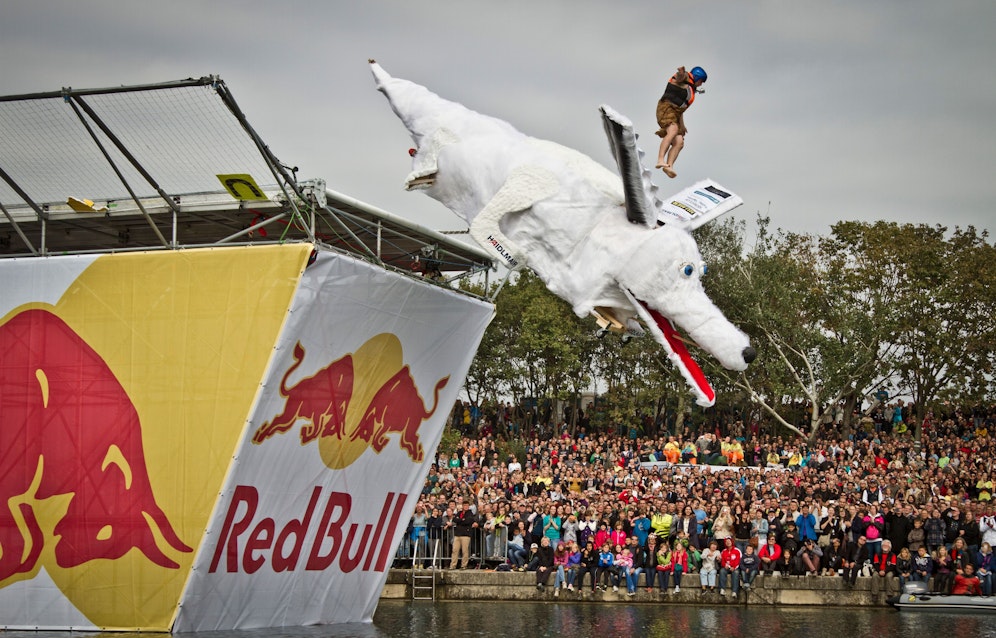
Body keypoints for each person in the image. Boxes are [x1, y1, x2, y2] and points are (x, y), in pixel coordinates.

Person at [654, 65, 707, 178]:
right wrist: (681, 72)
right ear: (697, 78)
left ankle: (668, 166)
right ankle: (660, 159)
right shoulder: (686, 77)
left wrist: (682, 126)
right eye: (701, 81)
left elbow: (680, 111)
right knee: (672, 130)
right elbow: (680, 78)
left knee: (679, 142)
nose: (701, 84)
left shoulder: (690, 88)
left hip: (675, 114)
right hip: (665, 108)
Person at [450, 500, 479, 570]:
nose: (465, 507)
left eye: (467, 505)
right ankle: (453, 565)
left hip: (466, 534)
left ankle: (464, 565)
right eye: (464, 505)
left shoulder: (470, 513)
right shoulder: (459, 513)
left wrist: (460, 520)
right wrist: (462, 520)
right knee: (455, 550)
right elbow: (454, 519)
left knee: (465, 551)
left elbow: (468, 521)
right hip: (457, 534)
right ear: (462, 506)